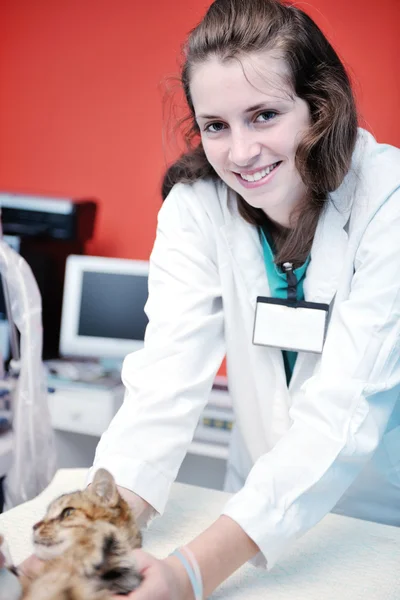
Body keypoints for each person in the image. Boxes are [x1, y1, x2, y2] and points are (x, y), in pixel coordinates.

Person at [86, 0, 400, 598]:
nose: (240, 152)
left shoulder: (389, 201)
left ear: (320, 109)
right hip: (249, 512)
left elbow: (345, 408)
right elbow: (163, 387)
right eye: (216, 126)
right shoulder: (197, 207)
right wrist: (100, 538)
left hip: (377, 519)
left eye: (264, 115)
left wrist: (189, 573)